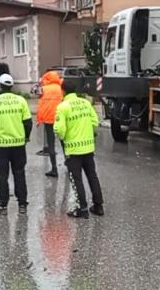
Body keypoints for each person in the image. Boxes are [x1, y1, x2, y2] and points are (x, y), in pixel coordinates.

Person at [0, 73, 33, 215]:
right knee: (19, 174)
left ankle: (3, 205)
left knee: (2, 176)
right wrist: (26, 137)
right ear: (11, 86)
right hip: (18, 145)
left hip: (1, 146)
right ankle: (22, 204)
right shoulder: (21, 101)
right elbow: (28, 122)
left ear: (0, 86)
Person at [54, 81, 104, 219]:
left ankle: (82, 209)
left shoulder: (62, 107)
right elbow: (95, 121)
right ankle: (98, 206)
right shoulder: (85, 103)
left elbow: (60, 130)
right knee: (92, 176)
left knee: (76, 180)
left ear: (63, 91)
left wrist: (62, 136)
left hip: (73, 149)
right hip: (88, 147)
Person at [36, 71, 63, 177]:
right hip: (61, 118)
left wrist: (39, 119)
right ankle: (69, 165)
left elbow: (38, 98)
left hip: (48, 119)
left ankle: (54, 169)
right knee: (64, 143)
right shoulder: (61, 87)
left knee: (51, 145)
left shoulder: (44, 89)